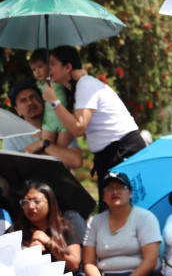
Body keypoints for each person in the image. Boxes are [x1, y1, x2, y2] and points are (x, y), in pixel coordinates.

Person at [42, 46, 146, 200]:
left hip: (124, 152)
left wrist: (54, 102)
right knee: (112, 214)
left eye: (52, 63)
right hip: (108, 156)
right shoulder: (77, 87)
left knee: (129, 210)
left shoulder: (85, 84)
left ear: (68, 66)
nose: (47, 68)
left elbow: (79, 127)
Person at [4, 81, 83, 168]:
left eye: (33, 97)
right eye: (23, 100)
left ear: (43, 100)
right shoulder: (13, 138)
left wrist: (43, 144)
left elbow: (76, 161)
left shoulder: (60, 126)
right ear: (17, 110)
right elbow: (9, 169)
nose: (30, 103)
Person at [9, 181, 81, 273]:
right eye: (26, 202)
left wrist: (49, 242)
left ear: (50, 204)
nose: (30, 206)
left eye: (37, 201)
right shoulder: (15, 230)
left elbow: (74, 265)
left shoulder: (66, 227)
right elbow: (6, 265)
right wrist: (28, 253)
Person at [28, 48, 73, 150]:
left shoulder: (58, 79)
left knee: (60, 151)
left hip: (65, 121)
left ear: (50, 65)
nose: (37, 72)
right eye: (34, 69)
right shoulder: (41, 86)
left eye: (40, 67)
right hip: (48, 123)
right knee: (48, 150)